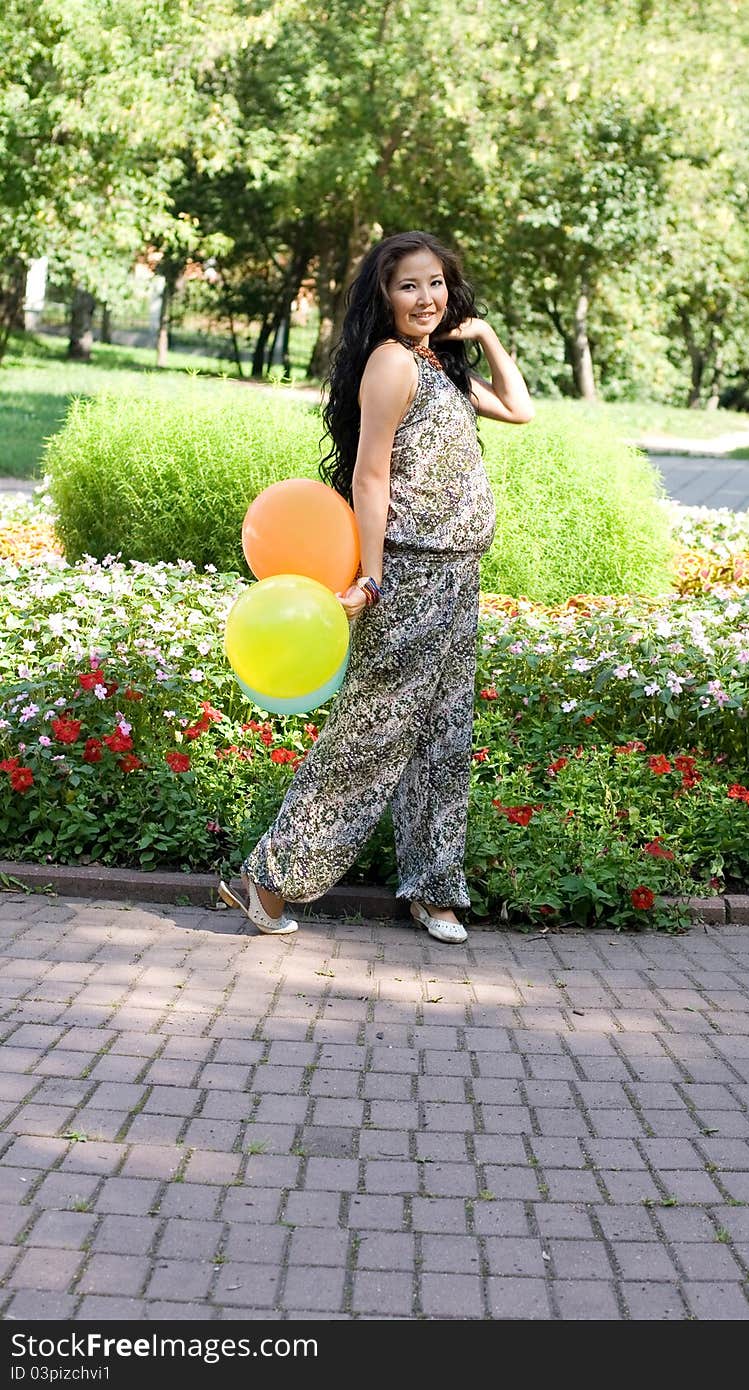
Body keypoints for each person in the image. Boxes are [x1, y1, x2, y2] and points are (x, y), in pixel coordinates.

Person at [219, 230, 533, 944]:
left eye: (436, 284)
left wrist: (481, 334)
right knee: (372, 736)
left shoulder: (441, 364)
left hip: (460, 575)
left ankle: (434, 891)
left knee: (443, 742)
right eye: (408, 286)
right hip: (410, 574)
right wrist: (372, 577)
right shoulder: (392, 364)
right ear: (383, 298)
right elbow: (370, 474)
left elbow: (520, 410)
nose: (426, 298)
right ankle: (270, 879)